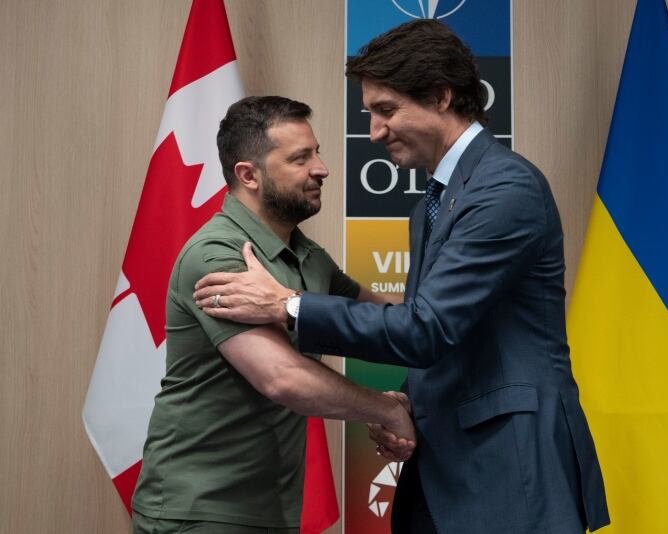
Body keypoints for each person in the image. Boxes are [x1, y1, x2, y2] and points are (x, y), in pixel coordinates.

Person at [193, 20, 610, 534]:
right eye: (370, 113)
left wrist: (287, 305)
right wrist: (407, 402)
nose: (373, 132)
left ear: (440, 96)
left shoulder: (504, 188)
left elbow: (425, 328)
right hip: (447, 468)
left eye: (386, 110)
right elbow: (453, 331)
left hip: (508, 471)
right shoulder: (436, 200)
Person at [131, 96, 415, 534]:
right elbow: (283, 377)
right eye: (301, 158)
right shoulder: (219, 255)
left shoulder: (307, 255)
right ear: (248, 175)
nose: (321, 168)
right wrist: (383, 409)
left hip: (270, 510)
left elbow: (389, 321)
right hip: (199, 510)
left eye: (316, 152)